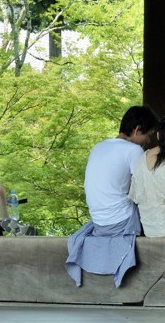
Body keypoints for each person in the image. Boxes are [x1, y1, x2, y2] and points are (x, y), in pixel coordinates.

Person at [66, 105, 159, 287]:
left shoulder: (98, 147)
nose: (148, 141)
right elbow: (145, 191)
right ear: (137, 129)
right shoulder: (133, 151)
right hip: (121, 222)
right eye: (148, 135)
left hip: (99, 222)